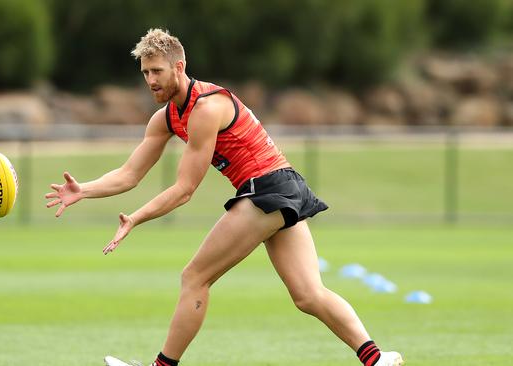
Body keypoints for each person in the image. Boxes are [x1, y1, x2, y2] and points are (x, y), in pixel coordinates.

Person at [46, 28, 404, 366]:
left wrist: (136, 218)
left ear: (179, 67)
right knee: (308, 294)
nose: (150, 80)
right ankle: (377, 359)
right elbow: (129, 174)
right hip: (282, 188)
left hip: (268, 187)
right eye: (144, 73)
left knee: (194, 277)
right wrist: (84, 190)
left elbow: (185, 189)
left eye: (157, 71)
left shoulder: (206, 108)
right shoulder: (166, 118)